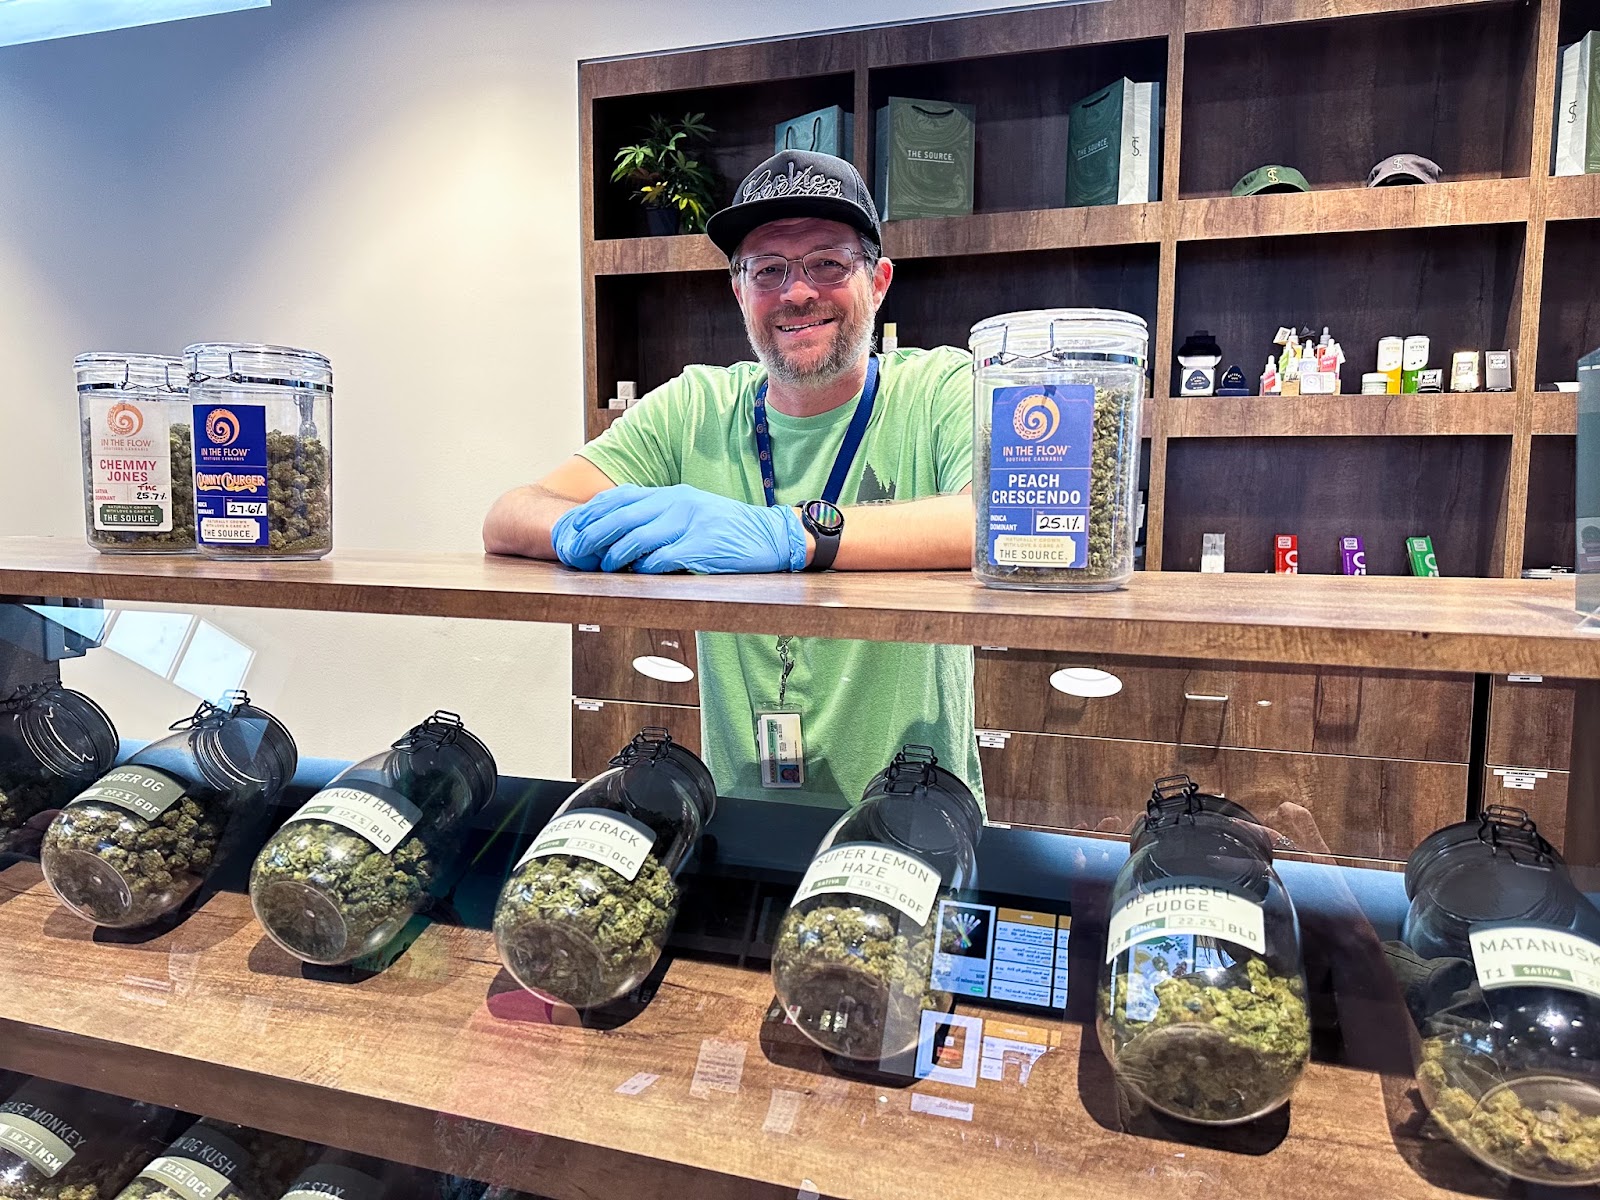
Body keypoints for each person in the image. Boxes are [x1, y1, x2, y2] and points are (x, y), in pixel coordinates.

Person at [483, 149, 981, 810]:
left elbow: (1001, 524)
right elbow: (510, 513)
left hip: (916, 819)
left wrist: (791, 532)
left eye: (826, 264)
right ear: (739, 291)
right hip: (743, 819)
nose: (796, 292)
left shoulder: (941, 388)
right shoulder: (693, 407)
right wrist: (582, 529)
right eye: (768, 269)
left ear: (879, 280)